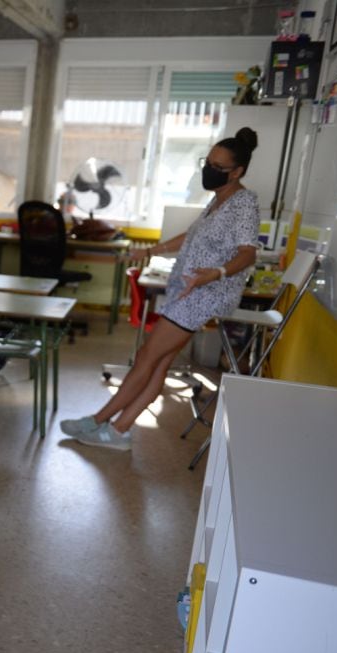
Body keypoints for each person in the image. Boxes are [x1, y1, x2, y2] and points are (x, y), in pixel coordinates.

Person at [62, 128, 261, 452]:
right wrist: (150, 251)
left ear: (237, 172)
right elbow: (191, 236)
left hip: (202, 296)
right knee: (158, 362)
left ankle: (101, 422)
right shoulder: (219, 200)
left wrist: (216, 273)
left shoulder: (244, 203)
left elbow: (248, 252)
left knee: (146, 358)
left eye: (217, 166)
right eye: (207, 161)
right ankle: (118, 429)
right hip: (190, 290)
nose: (207, 169)